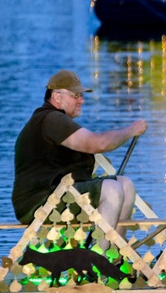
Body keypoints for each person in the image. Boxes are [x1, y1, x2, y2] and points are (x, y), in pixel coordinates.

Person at [12, 70, 147, 230]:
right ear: (56, 97)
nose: (81, 101)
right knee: (112, 189)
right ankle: (101, 254)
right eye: (75, 96)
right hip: (39, 204)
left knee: (125, 184)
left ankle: (114, 252)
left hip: (58, 195)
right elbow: (98, 144)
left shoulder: (53, 120)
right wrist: (131, 130)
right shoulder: (51, 120)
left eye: (82, 96)